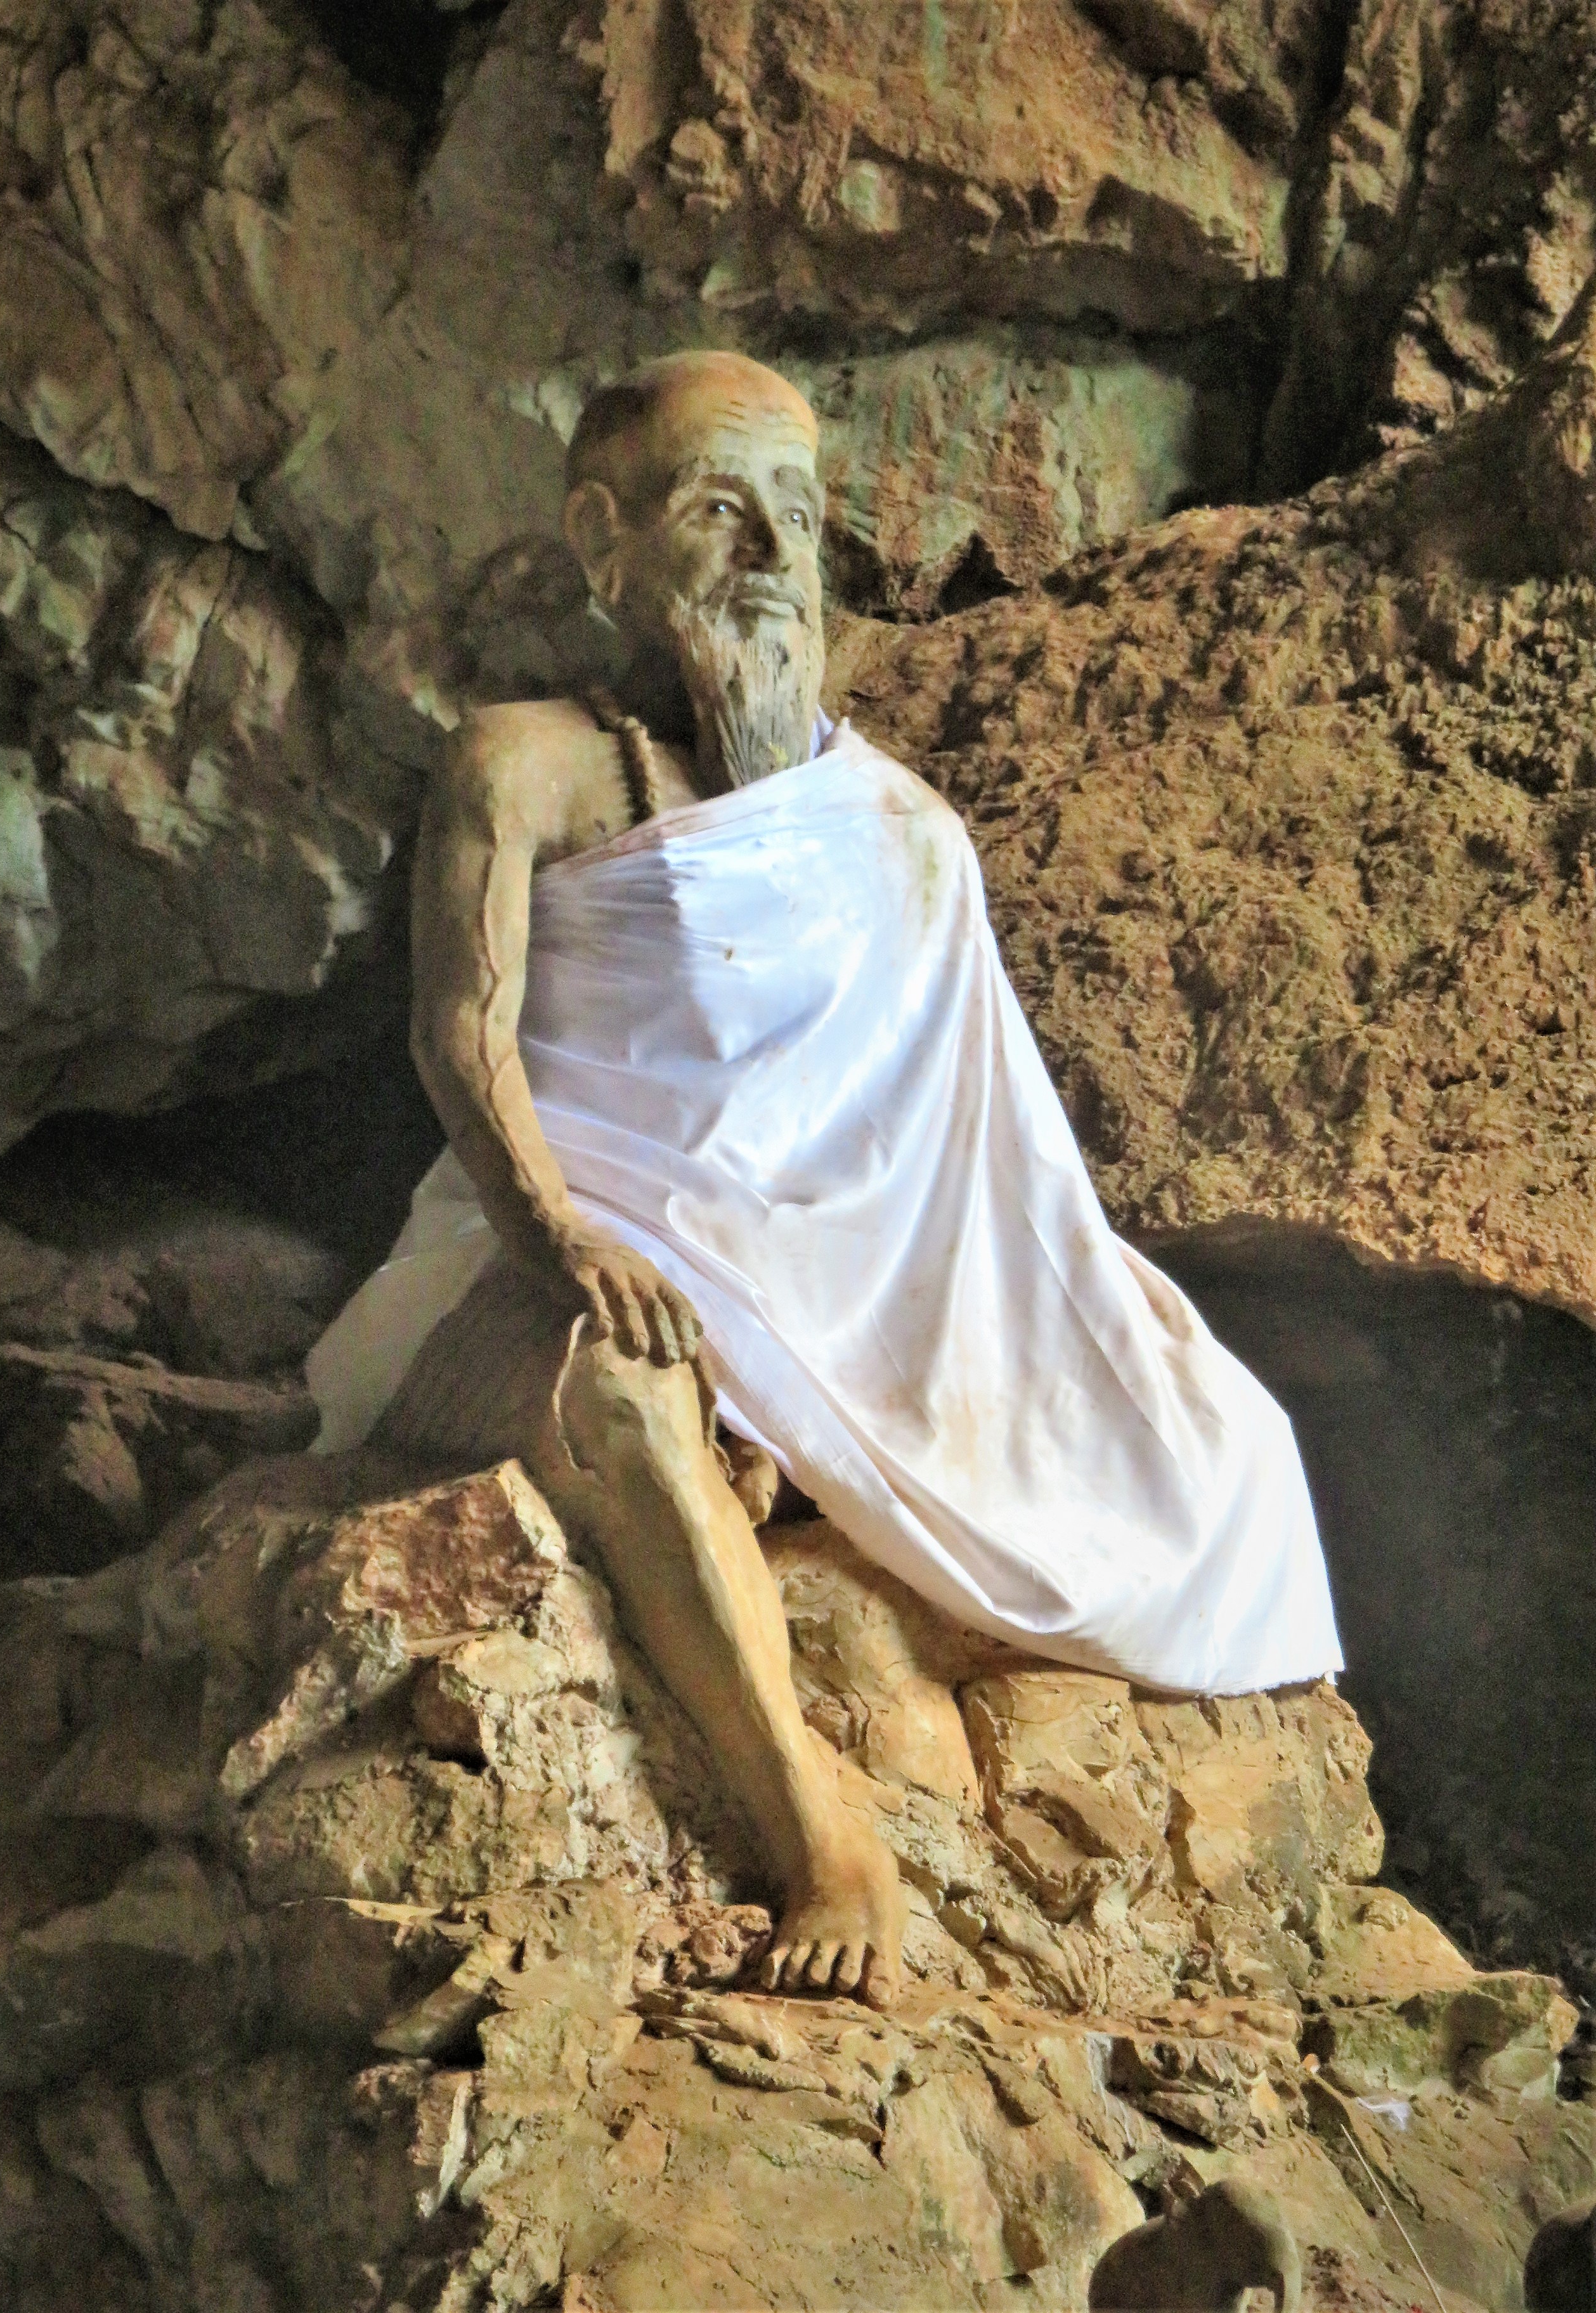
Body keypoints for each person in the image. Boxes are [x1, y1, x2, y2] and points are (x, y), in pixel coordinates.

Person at [307, 350, 1344, 2012]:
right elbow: (460, 1035)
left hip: (798, 1293)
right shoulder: (522, 763)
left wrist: (895, 1341)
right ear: (604, 539)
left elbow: (968, 1157)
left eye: (797, 511)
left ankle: (808, 1434)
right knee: (632, 1391)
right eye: (723, 509)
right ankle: (822, 1838)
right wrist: (562, 1235)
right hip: (548, 1251)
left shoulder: (894, 824)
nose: (777, 554)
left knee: (1207, 1443)